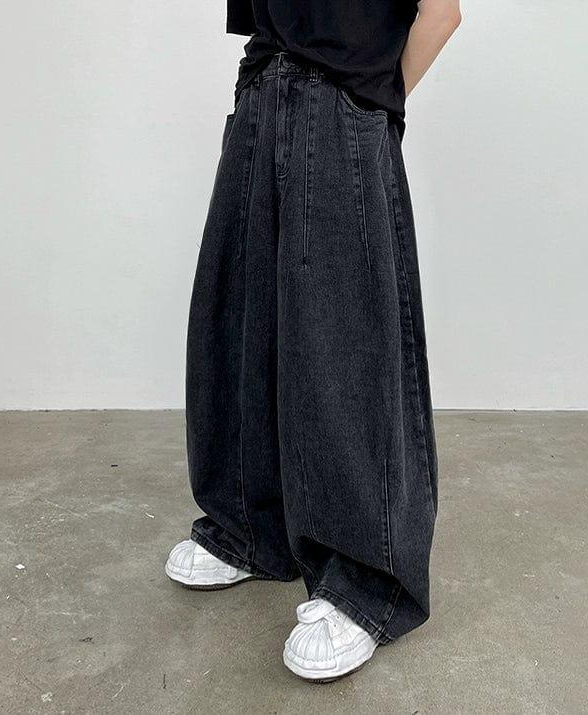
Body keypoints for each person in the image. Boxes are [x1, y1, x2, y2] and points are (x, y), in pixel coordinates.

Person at [166, 0, 462, 682]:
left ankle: (364, 581)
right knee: (237, 320)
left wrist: (370, 96)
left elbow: (441, 11)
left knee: (342, 342)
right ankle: (249, 530)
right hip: (262, 91)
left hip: (341, 99)